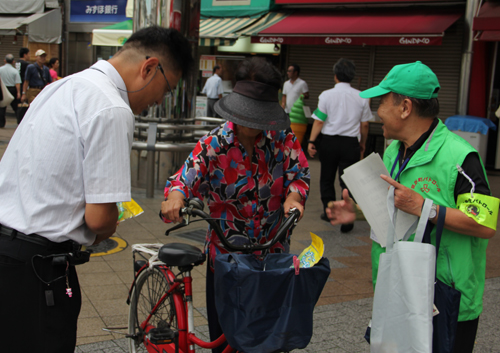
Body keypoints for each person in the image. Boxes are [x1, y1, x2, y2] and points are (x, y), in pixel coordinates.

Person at [0, 26, 194, 353]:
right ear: (149, 68)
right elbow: (100, 220)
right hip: (39, 271)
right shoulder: (111, 107)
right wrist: (109, 224)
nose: (159, 100)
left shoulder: (61, 86)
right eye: (167, 89)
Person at [327, 61, 497, 353]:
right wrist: (357, 212)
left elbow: (483, 224)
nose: (378, 111)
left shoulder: (460, 156)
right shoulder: (394, 150)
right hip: (397, 289)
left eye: (382, 101)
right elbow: (397, 210)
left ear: (405, 107)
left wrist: (425, 207)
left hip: (445, 298)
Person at [161, 57, 310, 353]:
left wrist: (294, 197)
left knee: (270, 337)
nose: (254, 125)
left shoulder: (283, 139)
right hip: (227, 258)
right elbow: (183, 178)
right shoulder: (213, 144)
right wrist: (176, 196)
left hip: (272, 253)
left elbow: (300, 175)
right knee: (226, 337)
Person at [308, 58, 372, 232]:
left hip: (329, 142)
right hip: (350, 143)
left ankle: (329, 212)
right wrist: (362, 144)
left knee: (327, 178)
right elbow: (365, 124)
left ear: (335, 76)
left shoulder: (326, 95)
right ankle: (347, 214)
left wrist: (312, 141)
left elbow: (319, 121)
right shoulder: (362, 97)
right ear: (352, 76)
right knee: (349, 180)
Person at [0, 54, 21, 126]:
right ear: (13, 61)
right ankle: (19, 121)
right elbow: (17, 83)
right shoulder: (15, 71)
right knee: (16, 107)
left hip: (2, 89)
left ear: (4, 60)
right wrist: (18, 92)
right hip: (12, 89)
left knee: (2, 106)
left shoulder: (0, 69)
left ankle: (1, 123)